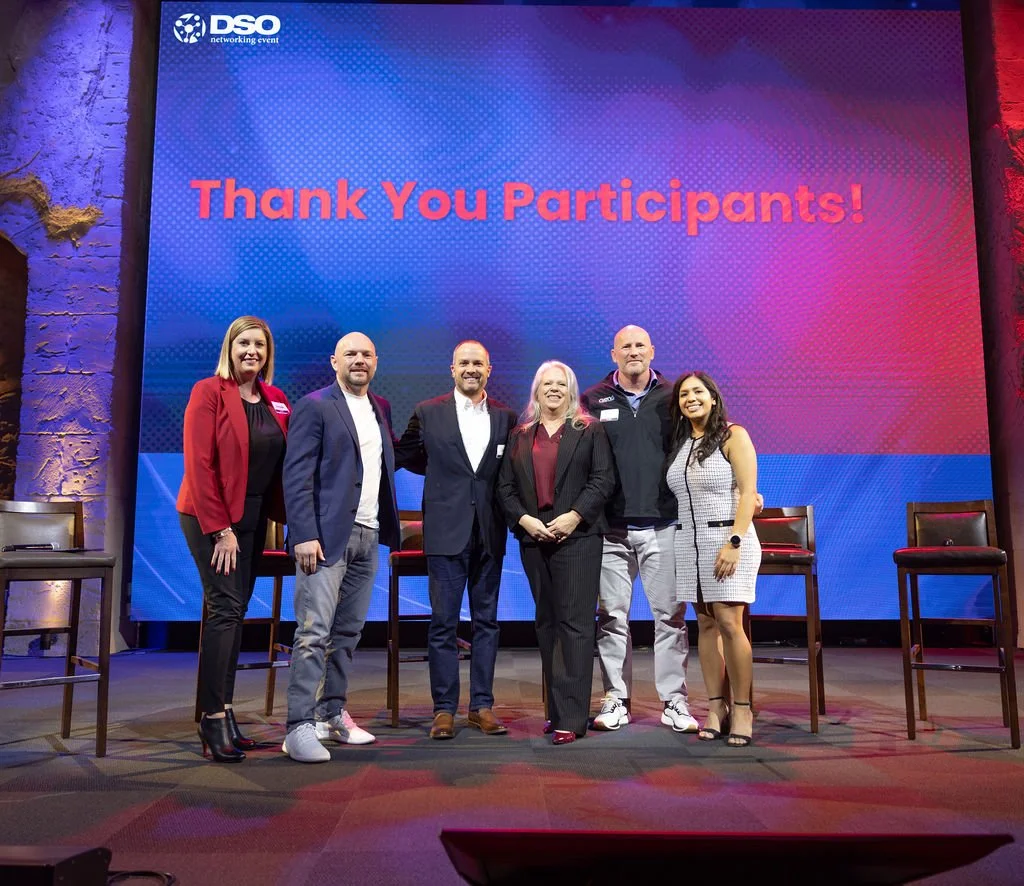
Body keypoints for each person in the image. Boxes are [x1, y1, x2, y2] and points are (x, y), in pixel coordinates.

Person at [281, 332, 400, 763]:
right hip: (326, 538)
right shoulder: (314, 406)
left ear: (376, 361)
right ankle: (298, 727)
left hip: (368, 536)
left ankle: (331, 714)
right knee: (313, 633)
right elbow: (296, 475)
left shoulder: (380, 407)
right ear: (334, 361)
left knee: (347, 634)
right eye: (350, 353)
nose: (359, 360)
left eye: (367, 354)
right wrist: (304, 534)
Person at [177, 316, 290, 763]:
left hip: (254, 517)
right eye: (244, 343)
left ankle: (223, 711)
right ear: (230, 346)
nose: (252, 351)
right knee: (225, 608)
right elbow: (199, 465)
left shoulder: (276, 399)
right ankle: (210, 717)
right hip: (212, 518)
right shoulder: (209, 391)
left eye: (259, 345)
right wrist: (221, 529)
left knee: (235, 610)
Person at [395, 341, 517, 740]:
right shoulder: (427, 413)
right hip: (446, 534)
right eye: (463, 363)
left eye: (477, 363)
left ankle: (481, 706)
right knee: (443, 624)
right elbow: (406, 456)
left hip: (489, 534)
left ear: (489, 368)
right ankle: (444, 709)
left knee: (487, 623)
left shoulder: (505, 417)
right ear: (452, 369)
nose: (470, 369)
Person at [581, 325, 699, 733]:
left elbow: (704, 443)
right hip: (610, 530)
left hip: (663, 524)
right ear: (613, 354)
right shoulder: (592, 400)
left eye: (639, 346)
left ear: (651, 351)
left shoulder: (674, 398)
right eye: (625, 347)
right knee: (611, 617)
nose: (633, 352)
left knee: (670, 616)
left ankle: (674, 701)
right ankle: (616, 698)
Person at [497, 361, 615, 745]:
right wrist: (526, 521)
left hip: (577, 539)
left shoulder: (589, 430)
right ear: (536, 390)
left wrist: (574, 517)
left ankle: (572, 718)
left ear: (570, 390)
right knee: (547, 624)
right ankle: (556, 711)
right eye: (546, 384)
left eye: (560, 384)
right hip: (535, 538)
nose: (553, 390)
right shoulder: (520, 435)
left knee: (575, 626)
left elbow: (602, 480)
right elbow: (505, 489)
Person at [665, 371, 760, 747]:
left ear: (714, 397)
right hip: (689, 543)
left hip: (726, 540)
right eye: (684, 394)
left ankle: (742, 708)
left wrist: (734, 541)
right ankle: (714, 707)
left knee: (729, 621)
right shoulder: (683, 442)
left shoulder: (733, 435)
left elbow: (749, 492)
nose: (691, 398)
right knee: (704, 624)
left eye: (698, 391)